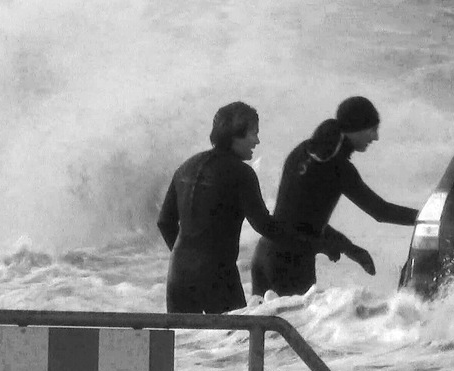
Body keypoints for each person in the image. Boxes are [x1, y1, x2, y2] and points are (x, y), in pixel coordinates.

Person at [157, 101, 340, 314]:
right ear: (236, 135)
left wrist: (186, 259)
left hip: (178, 275)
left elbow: (164, 222)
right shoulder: (240, 173)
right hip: (218, 275)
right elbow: (265, 227)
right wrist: (317, 245)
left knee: (185, 344)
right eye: (253, 133)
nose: (257, 140)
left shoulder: (185, 168)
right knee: (237, 339)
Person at [250, 96, 420, 297]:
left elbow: (299, 216)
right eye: (372, 129)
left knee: (259, 326)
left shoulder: (302, 150)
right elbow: (380, 211)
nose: (375, 137)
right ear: (355, 128)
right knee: (291, 328)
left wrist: (350, 249)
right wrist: (431, 217)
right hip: (290, 263)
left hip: (264, 254)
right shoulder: (338, 167)